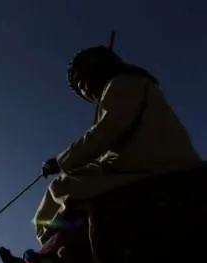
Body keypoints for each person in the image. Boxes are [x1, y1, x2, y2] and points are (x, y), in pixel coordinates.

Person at [34, 46, 202, 245]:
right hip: (142, 162)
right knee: (70, 182)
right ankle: (53, 248)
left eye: (82, 81)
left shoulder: (122, 84)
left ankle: (57, 246)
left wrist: (60, 162)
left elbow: (105, 133)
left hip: (152, 164)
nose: (83, 89)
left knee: (63, 185)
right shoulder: (128, 85)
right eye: (79, 88)